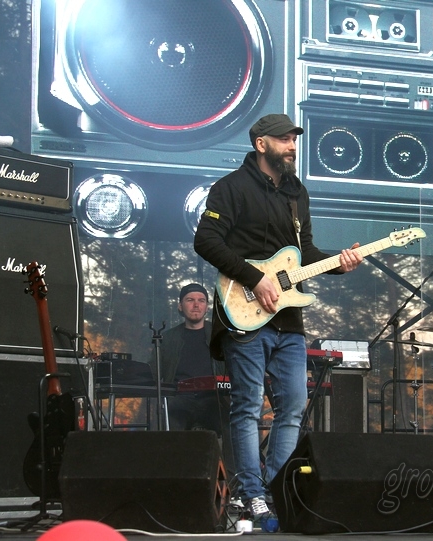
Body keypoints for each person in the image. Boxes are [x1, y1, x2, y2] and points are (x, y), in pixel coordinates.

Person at [193, 113, 363, 519]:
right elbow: (206, 239)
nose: (292, 146)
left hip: (288, 320)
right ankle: (250, 492)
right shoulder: (231, 188)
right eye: (284, 139)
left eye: (294, 139)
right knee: (248, 404)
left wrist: (340, 264)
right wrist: (255, 278)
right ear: (261, 144)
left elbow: (305, 253)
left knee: (294, 406)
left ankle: (278, 489)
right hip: (244, 315)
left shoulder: (296, 192)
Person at [149, 283, 227, 433]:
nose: (196, 305)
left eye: (201, 300)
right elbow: (153, 372)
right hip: (179, 399)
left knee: (231, 421)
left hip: (214, 399)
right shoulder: (168, 338)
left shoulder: (220, 335)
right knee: (171, 423)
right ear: (180, 306)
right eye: (190, 300)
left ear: (207, 307)